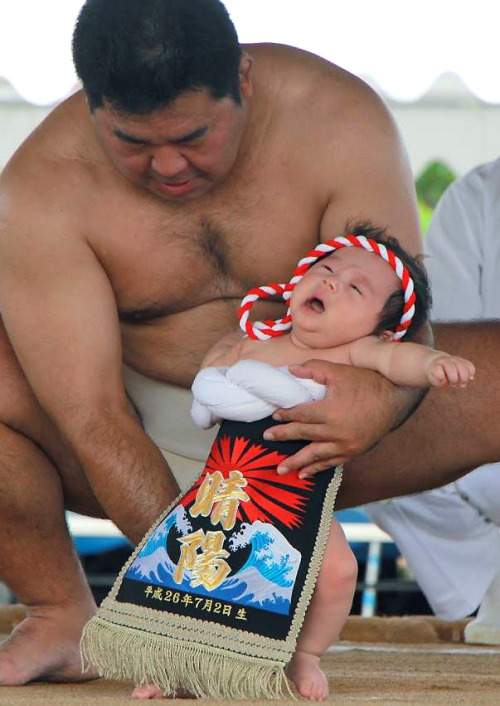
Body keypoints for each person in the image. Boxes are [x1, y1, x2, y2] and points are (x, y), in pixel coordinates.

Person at [0, 0, 492, 688]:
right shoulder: (40, 187)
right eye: (132, 142)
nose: (167, 164)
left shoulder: (336, 117)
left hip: (330, 409)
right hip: (146, 436)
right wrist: (202, 605)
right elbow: (93, 419)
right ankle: (57, 608)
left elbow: (402, 316)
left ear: (244, 78)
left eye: (194, 135)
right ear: (91, 107)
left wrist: (378, 403)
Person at [133, 226, 474, 700]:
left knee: (338, 572)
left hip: (297, 497)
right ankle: (174, 664)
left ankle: (305, 654)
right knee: (190, 575)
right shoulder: (249, 342)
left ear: (379, 327)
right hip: (227, 488)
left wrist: (433, 363)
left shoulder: (355, 351)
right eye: (326, 270)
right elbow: (210, 373)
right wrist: (210, 387)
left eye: (355, 287)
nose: (333, 282)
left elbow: (402, 362)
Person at [364, 158, 500, 644]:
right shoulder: (480, 195)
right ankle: (482, 593)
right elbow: (444, 357)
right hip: (481, 455)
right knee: (368, 437)